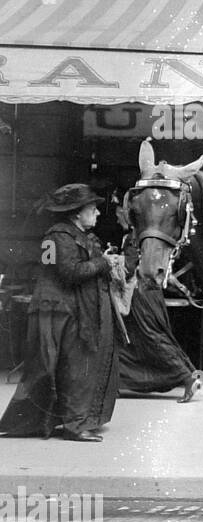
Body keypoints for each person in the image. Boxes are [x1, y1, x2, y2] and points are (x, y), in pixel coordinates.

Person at [0, 184, 121, 441]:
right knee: (62, 366)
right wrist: (102, 263)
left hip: (68, 308)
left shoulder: (71, 235)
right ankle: (69, 425)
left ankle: (67, 422)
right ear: (77, 213)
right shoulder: (57, 237)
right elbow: (69, 273)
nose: (98, 213)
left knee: (69, 366)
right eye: (93, 209)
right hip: (56, 311)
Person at [116, 233, 203, 402]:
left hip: (141, 293)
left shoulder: (136, 237)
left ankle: (187, 376)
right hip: (146, 292)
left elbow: (131, 265)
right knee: (146, 338)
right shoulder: (142, 236)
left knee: (152, 337)